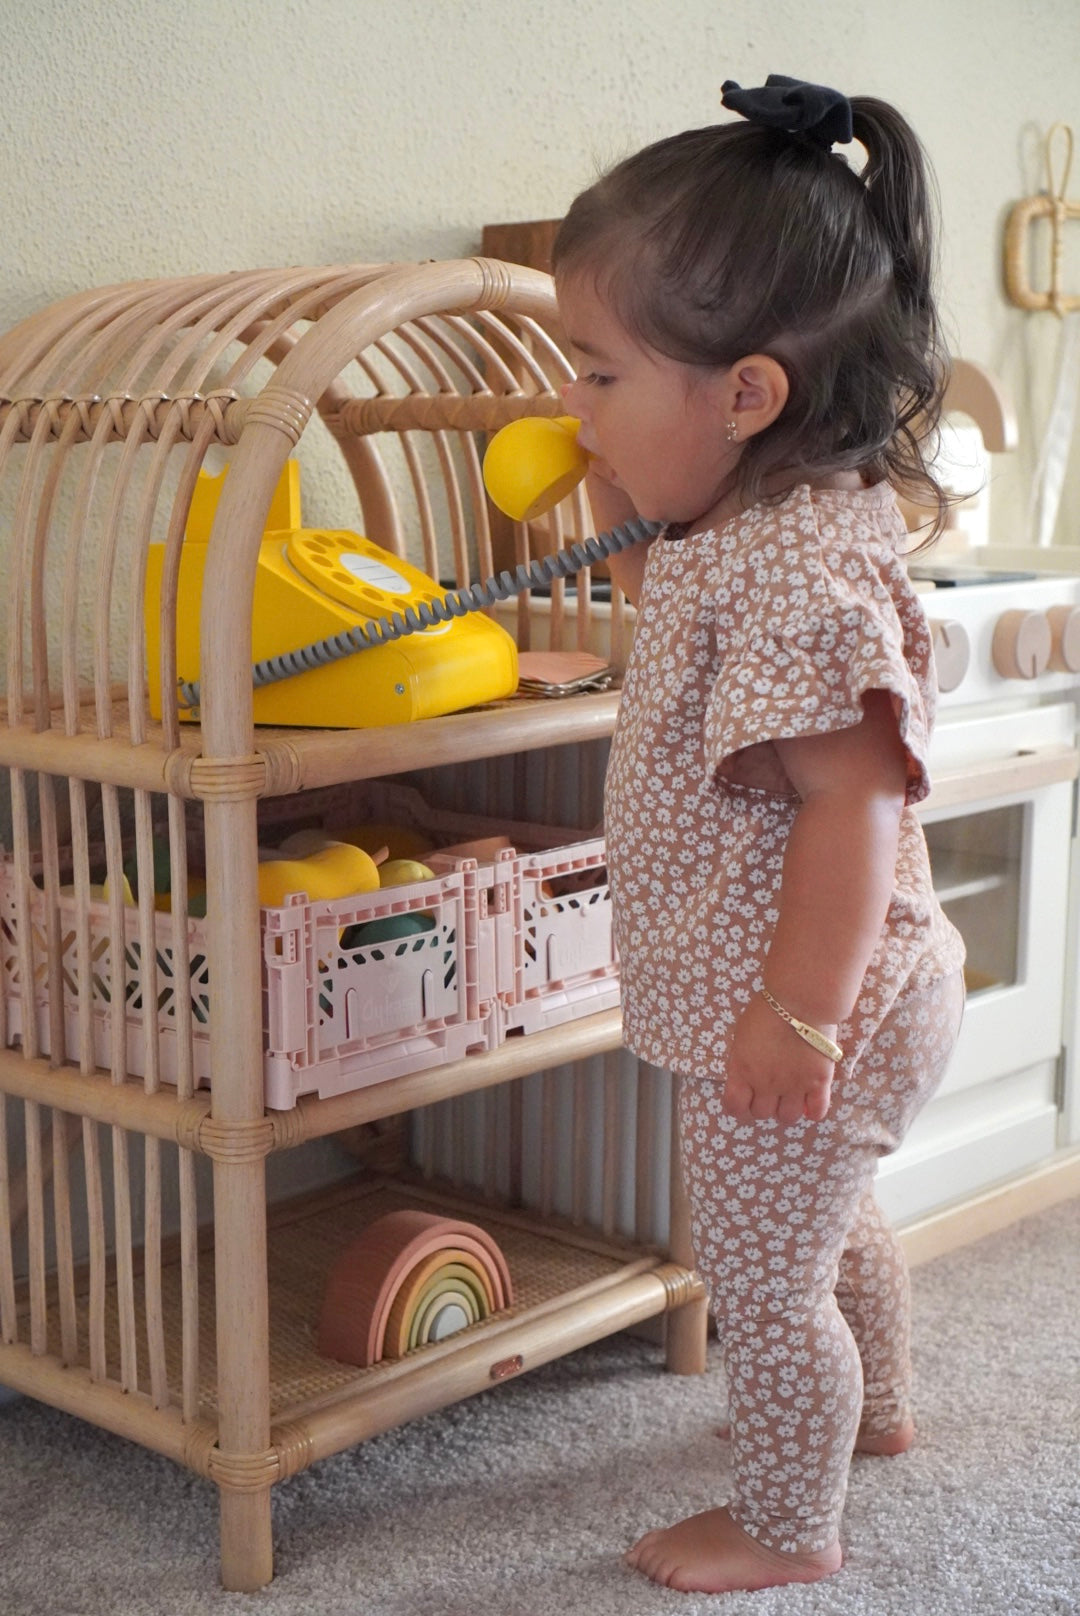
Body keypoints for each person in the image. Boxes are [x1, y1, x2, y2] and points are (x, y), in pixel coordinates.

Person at [552, 74, 966, 1594]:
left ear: (745, 397)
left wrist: (798, 1015)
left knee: (763, 1276)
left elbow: (851, 807)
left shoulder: (788, 576)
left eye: (597, 378)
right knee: (831, 1217)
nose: (570, 414)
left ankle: (786, 1524)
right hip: (839, 994)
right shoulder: (761, 525)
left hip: (807, 1000)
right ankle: (883, 1414)